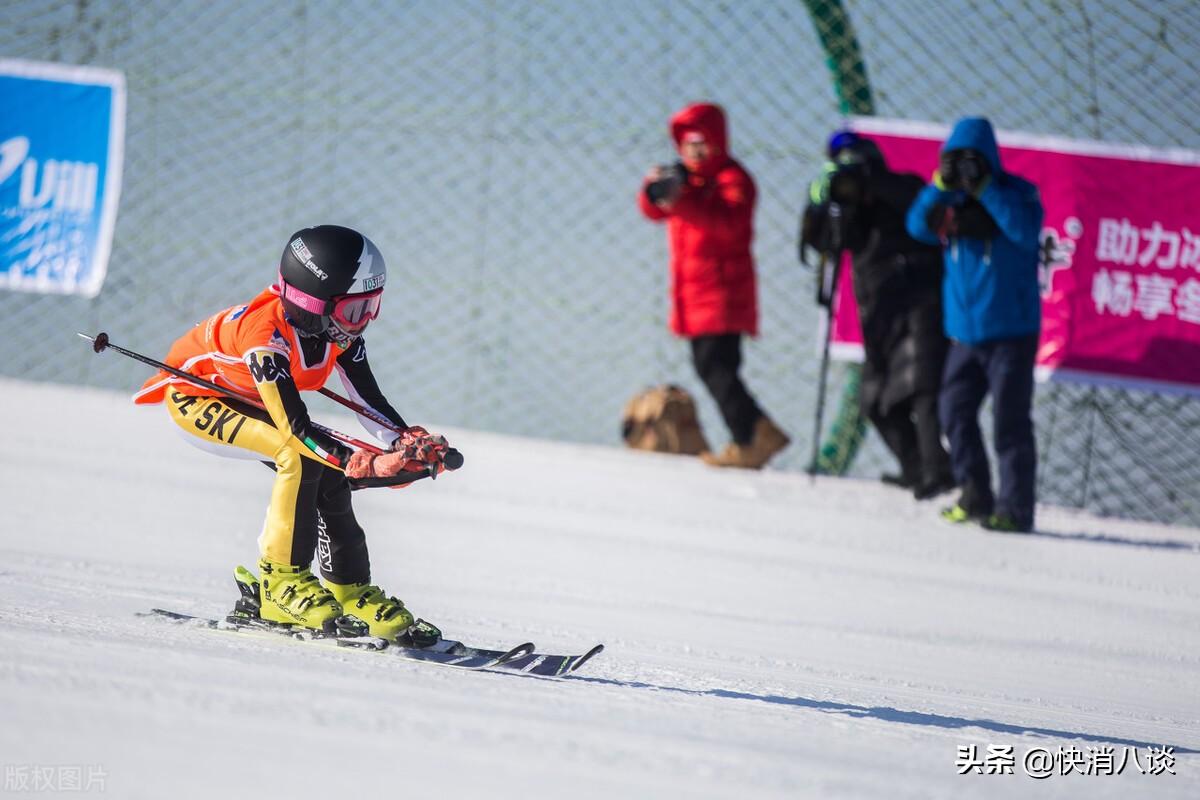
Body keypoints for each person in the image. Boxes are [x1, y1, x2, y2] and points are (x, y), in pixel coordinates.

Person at [133, 224, 451, 641]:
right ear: (312, 301)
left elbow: (368, 400)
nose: (364, 322)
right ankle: (279, 584)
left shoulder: (335, 330)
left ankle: (349, 590)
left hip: (251, 400)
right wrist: (362, 462)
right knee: (298, 455)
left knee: (329, 474)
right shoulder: (264, 335)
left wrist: (405, 442)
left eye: (371, 307)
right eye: (355, 310)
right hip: (198, 400)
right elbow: (295, 428)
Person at [906, 117, 1043, 533]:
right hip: (964, 334)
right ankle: (975, 493)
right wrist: (940, 185)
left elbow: (1024, 231)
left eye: (972, 161)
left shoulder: (1018, 194)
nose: (964, 170)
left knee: (1009, 422)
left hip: (1011, 333)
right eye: (955, 161)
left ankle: (1015, 509)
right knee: (953, 413)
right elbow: (916, 227)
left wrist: (986, 188)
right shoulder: (947, 204)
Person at [801, 131, 954, 499]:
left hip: (920, 301)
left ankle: (938, 469)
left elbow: (920, 209)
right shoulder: (850, 208)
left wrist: (873, 182)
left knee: (922, 389)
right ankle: (915, 466)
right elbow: (821, 243)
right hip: (879, 309)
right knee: (874, 397)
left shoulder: (902, 188)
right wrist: (820, 204)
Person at [637, 101, 789, 470]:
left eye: (702, 143)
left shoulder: (732, 180)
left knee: (717, 368)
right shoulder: (689, 181)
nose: (695, 152)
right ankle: (752, 434)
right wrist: (654, 189)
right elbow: (654, 210)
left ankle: (752, 435)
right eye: (688, 144)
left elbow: (727, 225)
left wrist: (683, 200)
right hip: (693, 294)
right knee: (711, 368)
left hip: (723, 293)